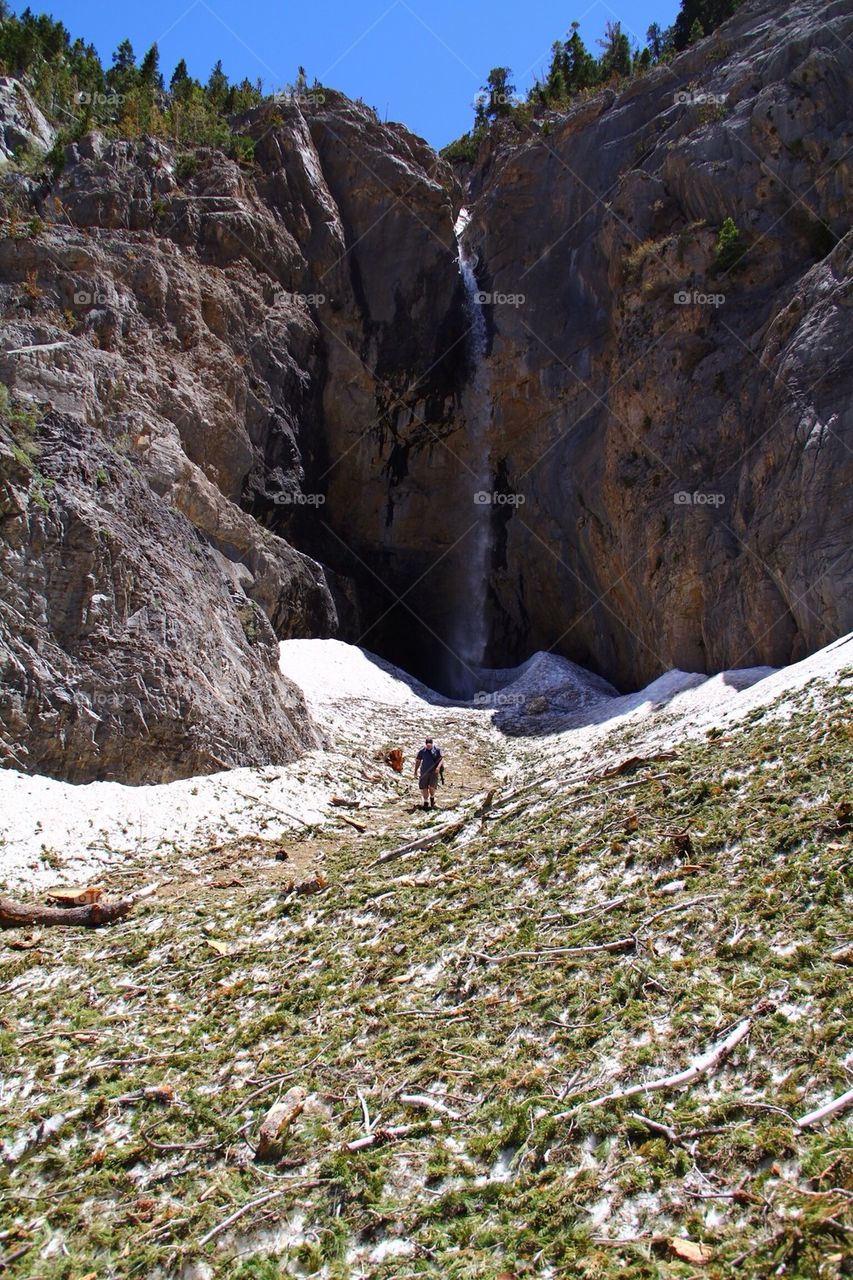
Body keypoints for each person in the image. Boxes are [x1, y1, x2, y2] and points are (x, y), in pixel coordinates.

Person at [414, 736, 443, 811]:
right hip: (424, 771)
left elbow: (441, 760)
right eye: (427, 745)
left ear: (432, 744)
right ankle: (426, 802)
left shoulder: (437, 750)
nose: (428, 747)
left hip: (434, 772)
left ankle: (432, 798)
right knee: (424, 787)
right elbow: (418, 761)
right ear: (426, 744)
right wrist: (415, 771)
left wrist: (438, 768)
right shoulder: (422, 751)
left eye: (430, 745)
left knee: (432, 786)